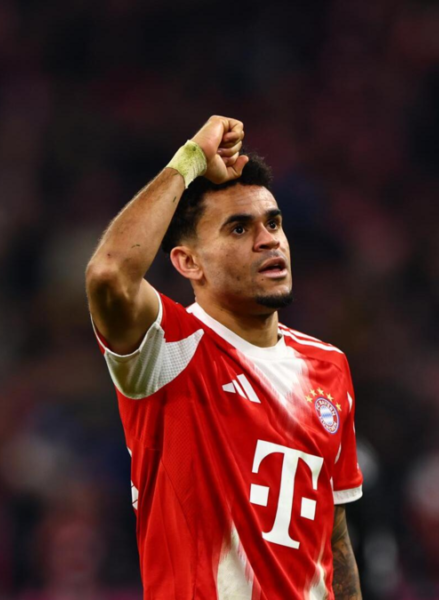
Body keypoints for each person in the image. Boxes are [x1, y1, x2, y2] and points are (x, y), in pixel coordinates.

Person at [86, 116, 363, 599]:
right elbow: (109, 274)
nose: (268, 239)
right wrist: (190, 160)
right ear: (188, 262)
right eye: (239, 229)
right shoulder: (168, 348)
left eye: (273, 223)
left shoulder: (330, 365)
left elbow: (333, 538)